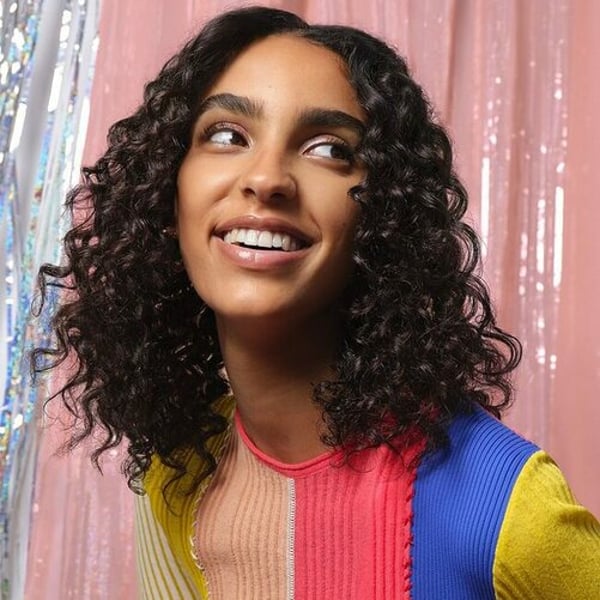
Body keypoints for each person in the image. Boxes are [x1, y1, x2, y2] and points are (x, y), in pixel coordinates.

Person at [34, 6, 600, 599]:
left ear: (383, 216)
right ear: (167, 195)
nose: (266, 179)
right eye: (227, 136)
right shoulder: (179, 477)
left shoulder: (504, 510)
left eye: (328, 149)